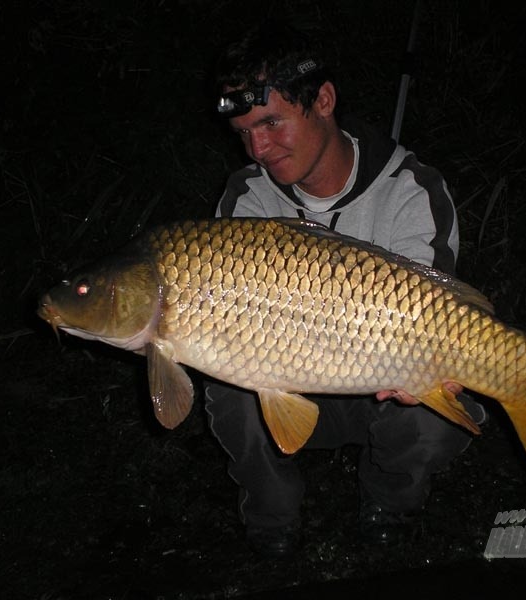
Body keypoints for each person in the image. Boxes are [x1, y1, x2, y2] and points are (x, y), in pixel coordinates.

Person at [205, 21, 486, 557]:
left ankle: (389, 499)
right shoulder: (246, 199)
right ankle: (272, 514)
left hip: (384, 386)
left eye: (270, 122)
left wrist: (426, 371)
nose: (258, 148)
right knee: (226, 380)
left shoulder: (412, 191)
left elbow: (437, 314)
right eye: (243, 132)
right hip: (293, 386)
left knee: (441, 407)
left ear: (324, 100)